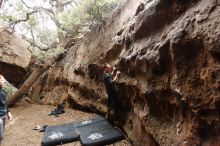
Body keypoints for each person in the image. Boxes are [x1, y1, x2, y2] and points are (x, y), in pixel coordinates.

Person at [0, 75, 12, 144]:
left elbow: (5, 103)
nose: (4, 81)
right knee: (0, 136)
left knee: (1, 137)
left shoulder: (2, 91)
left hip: (4, 115)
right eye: (2, 80)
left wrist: (8, 112)